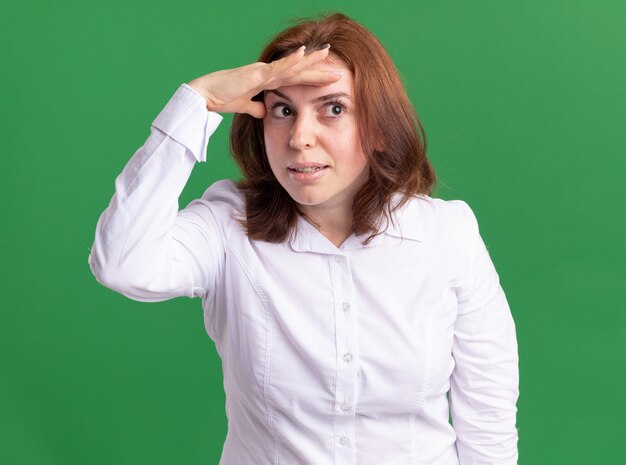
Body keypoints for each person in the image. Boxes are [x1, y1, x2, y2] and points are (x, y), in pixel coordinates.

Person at [89, 13, 519, 465]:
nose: (299, 138)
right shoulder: (227, 227)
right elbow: (121, 263)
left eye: (333, 109)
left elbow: (487, 416)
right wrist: (199, 102)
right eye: (283, 110)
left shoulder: (447, 234)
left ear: (376, 125)